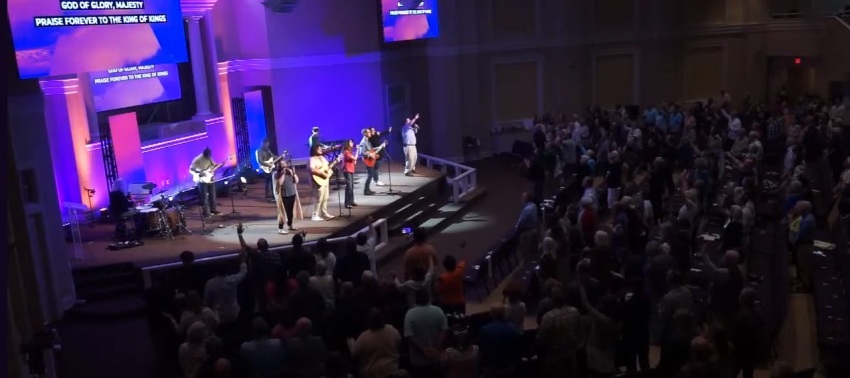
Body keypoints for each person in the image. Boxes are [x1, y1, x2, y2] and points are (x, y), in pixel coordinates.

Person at [403, 290, 448, 378]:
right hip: (436, 358)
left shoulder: (410, 314)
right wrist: (436, 347)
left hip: (418, 360)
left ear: (416, 299)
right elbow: (444, 330)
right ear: (428, 298)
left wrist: (423, 350)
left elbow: (410, 336)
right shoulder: (438, 311)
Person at [352, 308, 402, 378]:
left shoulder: (364, 336)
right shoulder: (392, 330)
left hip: (373, 373)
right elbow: (399, 343)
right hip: (392, 370)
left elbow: (354, 353)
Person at [189, 147, 225, 218]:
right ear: (204, 154)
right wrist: (200, 173)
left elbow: (214, 166)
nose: (209, 157)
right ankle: (206, 213)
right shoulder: (197, 160)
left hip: (210, 179)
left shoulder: (209, 158)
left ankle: (213, 210)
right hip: (202, 181)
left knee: (213, 195)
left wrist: (221, 164)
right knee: (204, 197)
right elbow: (191, 170)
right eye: (208, 155)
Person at [273, 159, 302, 233]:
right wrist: (283, 173)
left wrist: (293, 173)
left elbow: (296, 181)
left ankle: (290, 225)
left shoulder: (289, 172)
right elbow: (280, 183)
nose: (283, 165)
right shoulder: (276, 173)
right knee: (282, 212)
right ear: (279, 165)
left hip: (292, 193)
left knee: (290, 211)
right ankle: (280, 229)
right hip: (284, 195)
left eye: (284, 163)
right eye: (281, 164)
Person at [309, 144, 337, 221]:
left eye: (321, 149)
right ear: (314, 150)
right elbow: (312, 170)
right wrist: (322, 173)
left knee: (325, 197)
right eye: (319, 149)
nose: (321, 150)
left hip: (325, 180)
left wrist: (335, 162)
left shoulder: (322, 158)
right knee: (319, 198)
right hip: (317, 180)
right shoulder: (312, 159)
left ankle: (324, 213)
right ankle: (315, 215)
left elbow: (327, 167)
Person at [360, 129, 378, 196]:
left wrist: (378, 148)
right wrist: (369, 155)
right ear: (365, 133)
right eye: (369, 132)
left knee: (370, 176)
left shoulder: (368, 141)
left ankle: (368, 190)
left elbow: (370, 150)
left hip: (371, 160)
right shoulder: (363, 142)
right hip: (367, 161)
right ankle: (365, 191)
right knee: (369, 176)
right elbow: (361, 152)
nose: (370, 133)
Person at [342, 139, 358, 208]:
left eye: (352, 142)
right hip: (347, 170)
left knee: (352, 187)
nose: (352, 143)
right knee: (349, 187)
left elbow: (354, 160)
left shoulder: (349, 151)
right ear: (347, 144)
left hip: (351, 170)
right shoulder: (346, 152)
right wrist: (357, 150)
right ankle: (347, 203)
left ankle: (351, 201)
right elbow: (354, 158)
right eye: (350, 142)